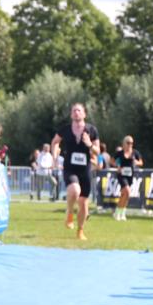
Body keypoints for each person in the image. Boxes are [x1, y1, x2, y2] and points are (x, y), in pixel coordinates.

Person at [51, 102, 100, 241]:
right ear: (71, 114)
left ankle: (80, 230)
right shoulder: (65, 129)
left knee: (84, 203)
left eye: (79, 110)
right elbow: (55, 142)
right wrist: (55, 158)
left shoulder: (92, 130)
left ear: (84, 114)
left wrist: (89, 144)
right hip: (70, 168)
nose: (76, 112)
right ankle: (69, 213)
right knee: (74, 191)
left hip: (85, 169)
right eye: (74, 110)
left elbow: (98, 151)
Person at [113, 136, 143, 221]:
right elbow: (112, 161)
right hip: (121, 175)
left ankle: (120, 213)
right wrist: (117, 166)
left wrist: (136, 162)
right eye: (128, 143)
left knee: (125, 195)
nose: (130, 144)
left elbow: (141, 162)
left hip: (130, 175)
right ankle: (119, 212)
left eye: (131, 143)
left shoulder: (135, 152)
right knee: (127, 191)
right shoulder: (120, 153)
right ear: (124, 143)